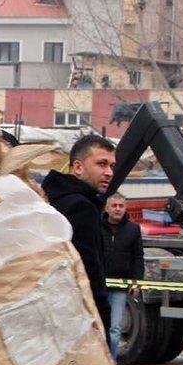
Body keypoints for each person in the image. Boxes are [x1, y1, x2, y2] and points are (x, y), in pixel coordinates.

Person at [42, 133, 116, 334]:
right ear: (77, 167)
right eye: (102, 164)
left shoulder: (52, 199)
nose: (109, 172)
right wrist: (102, 319)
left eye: (111, 166)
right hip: (79, 316)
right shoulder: (82, 207)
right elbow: (88, 269)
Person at [102, 192, 145, 357]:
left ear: (125, 208)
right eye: (114, 206)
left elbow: (138, 257)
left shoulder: (133, 229)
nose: (117, 209)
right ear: (107, 208)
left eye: (121, 206)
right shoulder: (98, 226)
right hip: (100, 286)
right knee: (99, 327)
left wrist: (137, 282)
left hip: (119, 288)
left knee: (115, 328)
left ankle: (112, 362)